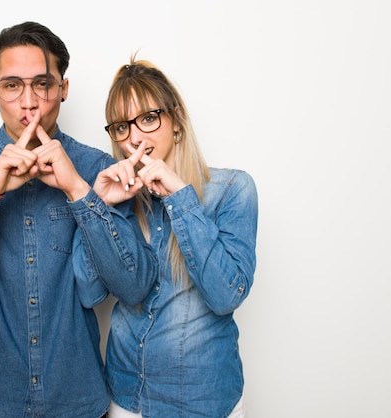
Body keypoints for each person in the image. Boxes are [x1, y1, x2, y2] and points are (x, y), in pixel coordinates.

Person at [0, 23, 157, 418]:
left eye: (43, 84)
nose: (29, 103)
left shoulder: (99, 169)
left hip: (79, 401)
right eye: (12, 85)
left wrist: (79, 191)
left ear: (63, 89)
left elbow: (134, 285)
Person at [74, 56, 258, 417]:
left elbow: (226, 296)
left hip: (204, 402)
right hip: (127, 398)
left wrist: (180, 198)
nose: (136, 137)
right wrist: (97, 207)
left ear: (176, 121)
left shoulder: (233, 189)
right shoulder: (122, 198)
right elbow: (89, 292)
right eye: (122, 127)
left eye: (147, 118)